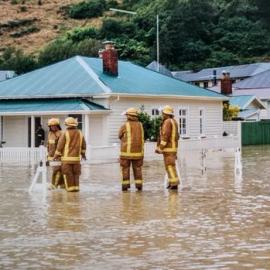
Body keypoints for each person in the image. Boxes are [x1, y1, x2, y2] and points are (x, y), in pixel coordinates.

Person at [54, 117, 86, 192]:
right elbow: (84, 145)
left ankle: (70, 194)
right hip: (77, 160)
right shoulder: (80, 133)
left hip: (66, 160)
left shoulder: (65, 133)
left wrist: (55, 156)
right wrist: (83, 155)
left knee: (68, 175)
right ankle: (76, 191)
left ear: (66, 124)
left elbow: (60, 146)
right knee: (76, 175)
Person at [119, 108, 144, 191]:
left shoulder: (125, 125)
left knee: (125, 169)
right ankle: (139, 186)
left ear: (129, 116)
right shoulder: (140, 125)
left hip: (126, 153)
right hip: (138, 153)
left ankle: (125, 187)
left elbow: (119, 135)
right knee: (138, 169)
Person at [155, 105, 180, 190]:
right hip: (173, 148)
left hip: (168, 148)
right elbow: (177, 136)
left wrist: (160, 148)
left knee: (169, 166)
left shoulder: (167, 122)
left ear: (166, 113)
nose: (162, 115)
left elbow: (165, 136)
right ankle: (171, 182)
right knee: (171, 166)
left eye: (163, 113)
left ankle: (174, 184)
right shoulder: (174, 121)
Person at [47, 118, 64, 190]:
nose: (53, 127)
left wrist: (59, 155)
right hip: (51, 156)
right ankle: (61, 185)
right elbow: (48, 145)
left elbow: (61, 146)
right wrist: (47, 155)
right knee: (56, 171)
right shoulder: (50, 134)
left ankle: (54, 185)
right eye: (51, 126)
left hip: (59, 156)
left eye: (54, 126)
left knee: (57, 171)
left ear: (58, 126)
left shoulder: (61, 133)